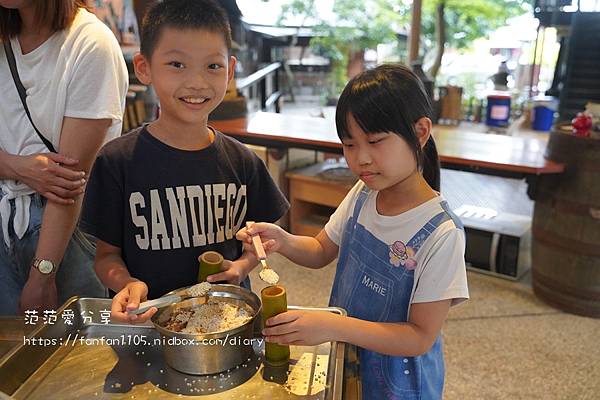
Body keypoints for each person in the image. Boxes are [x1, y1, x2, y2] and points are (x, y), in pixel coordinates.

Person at [238, 64, 469, 399]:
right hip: (348, 358)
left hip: (398, 383)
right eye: (349, 145)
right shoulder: (363, 195)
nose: (361, 159)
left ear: (420, 132)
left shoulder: (441, 233)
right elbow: (320, 250)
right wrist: (283, 240)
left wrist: (331, 325)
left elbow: (420, 337)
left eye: (375, 141)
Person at [80, 0, 289, 324]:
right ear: (144, 67)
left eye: (212, 66)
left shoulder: (243, 162)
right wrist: (126, 283)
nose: (196, 82)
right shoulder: (117, 161)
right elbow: (106, 256)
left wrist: (241, 267)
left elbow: (258, 243)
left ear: (230, 70)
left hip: (224, 324)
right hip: (149, 323)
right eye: (177, 64)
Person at [0, 0, 128, 315]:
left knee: (72, 357)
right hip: (5, 217)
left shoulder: (90, 44)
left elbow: (68, 181)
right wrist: (18, 167)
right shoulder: (5, 37)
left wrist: (42, 275)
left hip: (63, 234)